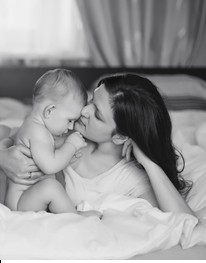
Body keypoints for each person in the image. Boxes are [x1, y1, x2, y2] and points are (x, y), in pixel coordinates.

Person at [0, 73, 195, 218]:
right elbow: (11, 133)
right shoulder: (64, 128)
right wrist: (3, 157)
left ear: (119, 136)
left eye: (98, 115)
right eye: (92, 99)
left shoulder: (129, 178)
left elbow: (186, 223)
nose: (84, 111)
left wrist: (150, 163)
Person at [3, 68, 88, 213]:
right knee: (51, 188)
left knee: (53, 185)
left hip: (26, 196)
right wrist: (71, 145)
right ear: (49, 111)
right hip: (20, 201)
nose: (71, 126)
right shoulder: (38, 132)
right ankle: (75, 216)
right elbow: (50, 166)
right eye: (70, 120)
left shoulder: (32, 125)